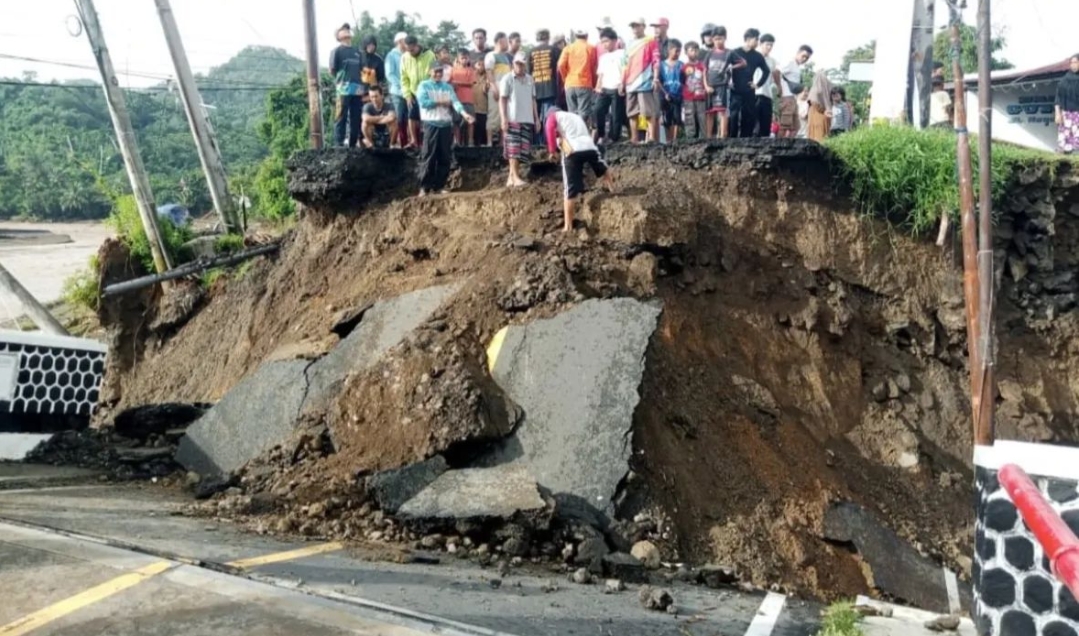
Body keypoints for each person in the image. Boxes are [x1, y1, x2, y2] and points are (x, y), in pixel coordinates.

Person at [544, 108, 615, 232]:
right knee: (602, 167)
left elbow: (550, 129)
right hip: (589, 147)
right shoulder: (574, 116)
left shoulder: (553, 116)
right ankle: (613, 189)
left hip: (573, 150)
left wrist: (552, 151)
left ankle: (568, 226)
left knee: (569, 189)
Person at [416, 61, 475, 196]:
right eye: (436, 71)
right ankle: (424, 187)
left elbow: (455, 102)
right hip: (430, 124)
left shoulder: (447, 87)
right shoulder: (424, 85)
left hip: (445, 125)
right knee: (428, 155)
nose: (438, 74)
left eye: (440, 72)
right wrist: (440, 102)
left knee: (445, 156)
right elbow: (423, 103)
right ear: (430, 72)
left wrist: (465, 114)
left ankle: (439, 185)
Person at [500, 52, 539, 187]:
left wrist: (537, 118)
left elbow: (533, 100)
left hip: (527, 118)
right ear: (513, 64)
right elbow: (502, 100)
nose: (520, 67)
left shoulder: (530, 79)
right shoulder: (507, 79)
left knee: (522, 150)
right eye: (518, 64)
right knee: (513, 149)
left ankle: (511, 177)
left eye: (522, 64)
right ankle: (515, 177)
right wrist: (504, 118)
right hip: (513, 118)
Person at [728, 29, 769, 138]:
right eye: (756, 39)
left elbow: (766, 71)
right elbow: (726, 68)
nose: (757, 42)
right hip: (735, 89)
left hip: (749, 89)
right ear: (748, 39)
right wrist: (729, 81)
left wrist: (757, 84)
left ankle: (746, 139)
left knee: (748, 115)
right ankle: (732, 138)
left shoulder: (757, 56)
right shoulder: (735, 52)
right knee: (734, 115)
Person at [624, 18, 660, 144]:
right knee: (632, 113)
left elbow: (656, 60)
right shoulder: (629, 44)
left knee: (648, 111)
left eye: (637, 26)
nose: (635, 28)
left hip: (645, 81)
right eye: (633, 26)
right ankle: (634, 138)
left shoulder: (650, 41)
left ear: (643, 26)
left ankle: (652, 138)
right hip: (630, 83)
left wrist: (655, 78)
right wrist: (622, 82)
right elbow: (624, 63)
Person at [329, 24, 364, 147]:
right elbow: (332, 70)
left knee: (356, 117)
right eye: (343, 30)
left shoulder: (357, 52)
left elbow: (362, 69)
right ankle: (339, 144)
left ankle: (353, 144)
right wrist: (342, 80)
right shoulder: (336, 51)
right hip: (343, 89)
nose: (346, 31)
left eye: (347, 29)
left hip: (357, 89)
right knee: (341, 116)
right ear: (338, 36)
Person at [703, 27, 741, 139]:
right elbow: (704, 70)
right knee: (709, 112)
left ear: (725, 38)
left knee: (722, 111)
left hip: (723, 86)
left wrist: (731, 67)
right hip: (710, 85)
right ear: (712, 40)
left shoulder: (730, 53)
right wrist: (706, 86)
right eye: (715, 39)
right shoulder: (709, 54)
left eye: (720, 39)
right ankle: (709, 137)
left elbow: (743, 63)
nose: (718, 41)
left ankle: (723, 136)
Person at [557, 29, 599, 124]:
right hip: (585, 83)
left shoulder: (568, 48)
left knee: (572, 114)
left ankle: (574, 131)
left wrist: (565, 78)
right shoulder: (591, 48)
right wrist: (594, 83)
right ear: (587, 36)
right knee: (583, 113)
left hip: (570, 84)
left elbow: (560, 65)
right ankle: (581, 130)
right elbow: (594, 67)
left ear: (575, 36)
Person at [401, 36, 436, 148]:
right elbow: (404, 78)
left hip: (427, 92)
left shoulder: (430, 55)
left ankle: (427, 142)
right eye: (408, 50)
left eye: (412, 50)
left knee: (427, 118)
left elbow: (434, 74)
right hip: (413, 92)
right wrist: (407, 95)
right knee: (411, 116)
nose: (410, 52)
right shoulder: (404, 57)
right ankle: (413, 141)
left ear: (417, 45)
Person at [593, 27, 626, 144]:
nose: (604, 44)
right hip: (605, 88)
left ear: (614, 40)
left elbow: (625, 69)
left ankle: (614, 138)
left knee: (616, 114)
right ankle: (601, 134)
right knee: (597, 110)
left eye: (606, 41)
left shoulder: (622, 54)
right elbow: (600, 74)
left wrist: (622, 83)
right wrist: (598, 86)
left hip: (617, 87)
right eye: (602, 42)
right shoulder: (603, 57)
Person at [530, 29, 559, 142]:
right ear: (548, 37)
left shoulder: (530, 52)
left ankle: (536, 142)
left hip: (534, 88)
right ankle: (547, 141)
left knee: (535, 116)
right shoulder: (554, 50)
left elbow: (528, 71)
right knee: (548, 116)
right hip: (550, 88)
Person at [777, 45, 813, 138]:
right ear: (798, 53)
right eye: (803, 56)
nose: (804, 59)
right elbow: (776, 72)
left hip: (793, 98)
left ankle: (788, 145)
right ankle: (778, 144)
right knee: (785, 126)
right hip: (786, 97)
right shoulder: (790, 62)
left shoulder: (797, 67)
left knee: (795, 127)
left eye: (807, 58)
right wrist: (779, 88)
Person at [485, 33, 513, 146]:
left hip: (506, 90)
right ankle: (489, 142)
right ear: (500, 41)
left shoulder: (506, 57)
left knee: (504, 115)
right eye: (506, 41)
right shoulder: (491, 55)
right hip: (496, 87)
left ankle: (502, 142)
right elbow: (489, 72)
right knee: (493, 114)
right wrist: (494, 88)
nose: (508, 43)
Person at [385, 32, 409, 148]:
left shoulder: (408, 54)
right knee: (398, 118)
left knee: (408, 119)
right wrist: (403, 85)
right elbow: (390, 74)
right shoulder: (391, 55)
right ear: (399, 42)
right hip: (397, 93)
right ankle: (395, 143)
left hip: (409, 93)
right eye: (405, 40)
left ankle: (407, 143)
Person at [659, 39, 684, 144]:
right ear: (669, 50)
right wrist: (664, 93)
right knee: (666, 119)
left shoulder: (682, 65)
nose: (678, 53)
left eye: (679, 51)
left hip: (677, 96)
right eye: (676, 51)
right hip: (665, 95)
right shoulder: (661, 65)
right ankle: (668, 141)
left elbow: (685, 81)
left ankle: (675, 140)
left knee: (677, 118)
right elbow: (658, 81)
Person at [754, 34, 780, 137]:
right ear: (760, 44)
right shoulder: (753, 57)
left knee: (765, 126)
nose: (769, 47)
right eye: (767, 44)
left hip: (767, 95)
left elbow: (775, 76)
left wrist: (779, 87)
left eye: (771, 45)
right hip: (754, 94)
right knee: (754, 126)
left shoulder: (772, 61)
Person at [681, 41, 707, 140]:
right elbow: (682, 81)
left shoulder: (702, 66)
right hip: (688, 97)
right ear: (686, 52)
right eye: (691, 50)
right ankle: (690, 139)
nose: (694, 53)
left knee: (702, 117)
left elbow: (705, 79)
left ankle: (703, 138)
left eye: (696, 50)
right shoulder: (683, 67)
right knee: (689, 117)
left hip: (701, 97)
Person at [450, 49, 477, 145]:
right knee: (456, 121)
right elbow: (450, 83)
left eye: (466, 58)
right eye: (462, 58)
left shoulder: (471, 70)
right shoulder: (453, 70)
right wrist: (453, 84)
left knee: (470, 121)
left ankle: (470, 141)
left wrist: (457, 83)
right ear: (458, 58)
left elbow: (471, 83)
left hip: (468, 99)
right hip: (456, 100)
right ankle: (457, 141)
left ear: (469, 58)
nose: (464, 60)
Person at [1056, 54, 1079, 154]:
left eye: (1076, 62)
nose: (1073, 65)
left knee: (1077, 139)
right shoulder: (1064, 80)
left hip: (1078, 115)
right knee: (1064, 139)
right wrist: (1057, 113)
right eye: (1072, 63)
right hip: (1066, 114)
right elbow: (1058, 98)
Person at [806, 71, 833, 141]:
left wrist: (822, 110)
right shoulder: (827, 89)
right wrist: (825, 110)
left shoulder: (814, 90)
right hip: (824, 116)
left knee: (814, 137)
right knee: (823, 137)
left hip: (814, 115)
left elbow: (812, 102)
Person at [472, 59, 490, 146]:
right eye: (479, 64)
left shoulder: (488, 76)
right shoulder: (471, 75)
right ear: (475, 65)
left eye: (483, 65)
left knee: (483, 128)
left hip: (484, 108)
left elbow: (487, 90)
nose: (481, 67)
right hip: (473, 107)